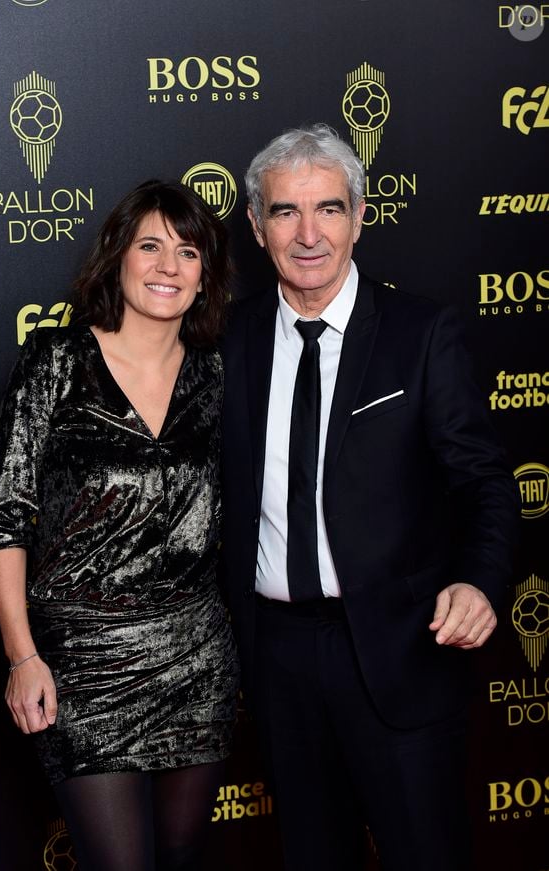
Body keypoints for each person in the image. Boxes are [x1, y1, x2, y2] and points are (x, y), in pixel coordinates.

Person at [219, 125, 521, 871]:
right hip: (277, 655)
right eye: (285, 212)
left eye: (328, 208)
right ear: (257, 228)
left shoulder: (420, 333)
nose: (309, 232)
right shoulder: (229, 337)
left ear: (360, 215)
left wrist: (481, 581)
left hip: (401, 647)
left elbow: (484, 480)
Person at [0, 179, 239, 871]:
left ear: (206, 276)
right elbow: (5, 515)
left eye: (187, 252)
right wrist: (22, 655)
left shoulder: (219, 376)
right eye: (150, 245)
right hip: (82, 664)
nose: (167, 266)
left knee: (181, 854)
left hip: (196, 658)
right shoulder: (55, 362)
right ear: (117, 257)